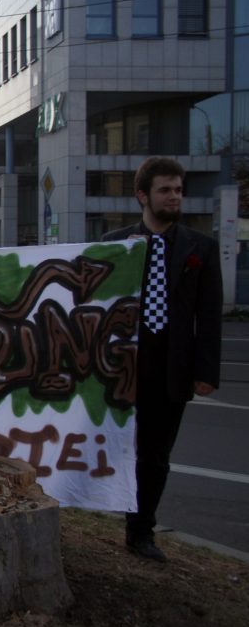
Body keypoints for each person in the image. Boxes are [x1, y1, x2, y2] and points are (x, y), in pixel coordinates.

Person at [102, 156, 222, 562]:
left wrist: (206, 372)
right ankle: (91, 503)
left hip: (170, 369)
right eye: (165, 190)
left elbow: (209, 316)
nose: (174, 197)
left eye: (178, 190)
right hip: (120, 367)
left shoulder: (200, 248)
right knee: (102, 445)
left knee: (154, 456)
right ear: (143, 196)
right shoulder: (117, 244)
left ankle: (140, 531)